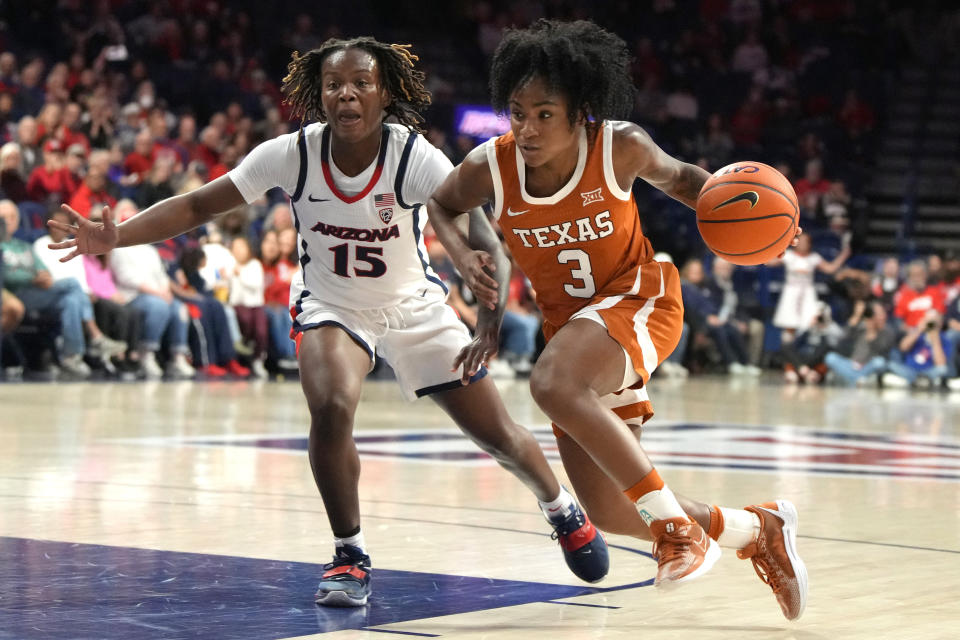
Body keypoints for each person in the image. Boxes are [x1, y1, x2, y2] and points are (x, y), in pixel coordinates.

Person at [49, 36, 607, 608]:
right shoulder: (291, 153)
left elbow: (479, 227)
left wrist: (488, 314)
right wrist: (116, 234)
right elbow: (197, 206)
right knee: (333, 405)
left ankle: (559, 506)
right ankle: (350, 554)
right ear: (318, 96)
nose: (347, 93)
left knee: (498, 435)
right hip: (331, 304)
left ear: (384, 93)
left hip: (414, 306)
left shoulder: (412, 155)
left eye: (361, 83)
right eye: (334, 84)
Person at [426, 19, 806, 619]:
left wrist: (756, 221)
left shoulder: (618, 145)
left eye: (544, 114)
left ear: (581, 111)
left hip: (639, 297)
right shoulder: (490, 166)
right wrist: (462, 254)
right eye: (517, 113)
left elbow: (683, 180)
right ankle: (755, 530)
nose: (526, 128)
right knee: (605, 507)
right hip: (572, 331)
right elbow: (442, 203)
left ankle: (676, 536)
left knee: (552, 384)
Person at [771, 233, 850, 343]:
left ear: (810, 244)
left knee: (810, 321)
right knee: (789, 324)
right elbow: (769, 262)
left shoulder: (814, 258)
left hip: (807, 294)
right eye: (801, 241)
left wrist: (844, 254)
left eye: (806, 241)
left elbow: (830, 268)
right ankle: (786, 352)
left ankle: (806, 352)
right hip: (791, 293)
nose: (803, 244)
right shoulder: (789, 255)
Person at [824, 299, 895, 386]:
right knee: (830, 357)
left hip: (868, 366)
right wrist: (857, 315)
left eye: (880, 313)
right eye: (874, 314)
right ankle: (859, 379)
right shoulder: (861, 327)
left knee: (879, 363)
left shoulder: (887, 331)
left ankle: (852, 379)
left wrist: (872, 331)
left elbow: (881, 350)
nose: (877, 317)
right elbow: (844, 337)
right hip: (852, 364)